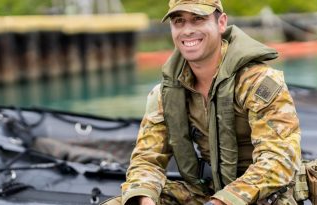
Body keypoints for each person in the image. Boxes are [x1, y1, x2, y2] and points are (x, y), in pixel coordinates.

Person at [102, 0, 301, 204]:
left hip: (262, 194)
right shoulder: (165, 93)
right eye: (179, 21)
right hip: (207, 190)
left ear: (221, 23)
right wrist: (144, 198)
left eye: (198, 20)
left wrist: (223, 201)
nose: (187, 30)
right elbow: (147, 159)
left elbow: (279, 160)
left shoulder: (257, 82)